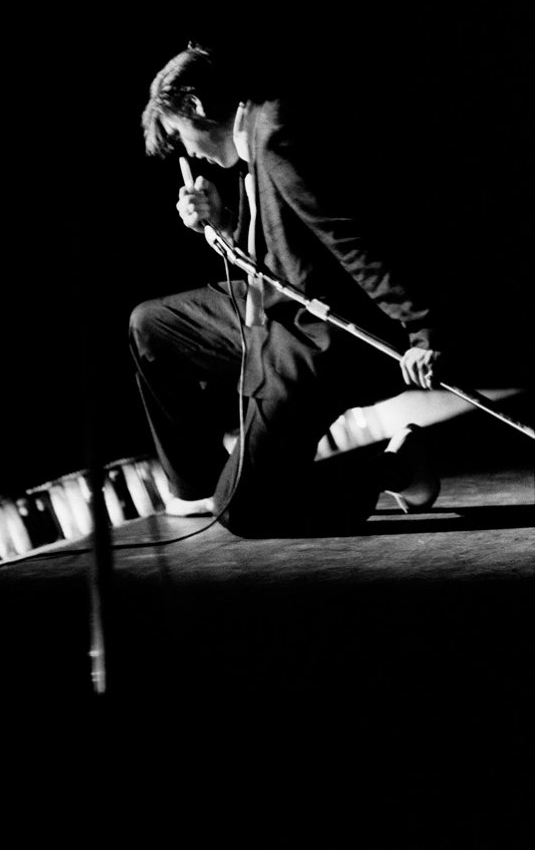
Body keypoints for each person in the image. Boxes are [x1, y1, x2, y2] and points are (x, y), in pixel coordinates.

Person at [129, 42, 443, 538]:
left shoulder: (273, 135)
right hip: (265, 317)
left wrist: (421, 328)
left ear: (195, 106)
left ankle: (395, 469)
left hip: (308, 340)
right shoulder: (251, 142)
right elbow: (276, 259)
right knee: (151, 324)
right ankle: (198, 486)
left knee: (244, 512)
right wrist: (222, 221)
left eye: (178, 134)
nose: (186, 151)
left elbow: (348, 238)